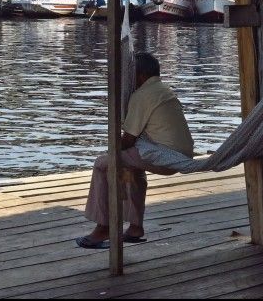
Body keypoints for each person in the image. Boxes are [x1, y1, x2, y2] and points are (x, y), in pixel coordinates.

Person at [76, 51, 194, 249]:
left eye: (130, 75)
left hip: (163, 155)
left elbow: (129, 139)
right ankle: (135, 227)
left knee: (102, 164)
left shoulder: (142, 95)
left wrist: (111, 152)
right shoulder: (164, 90)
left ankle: (104, 226)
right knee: (132, 168)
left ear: (140, 75)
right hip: (180, 155)